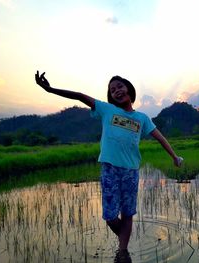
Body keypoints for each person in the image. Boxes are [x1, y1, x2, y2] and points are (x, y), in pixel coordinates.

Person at [35, 71, 183, 262]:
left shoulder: (142, 118)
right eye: (112, 90)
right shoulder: (106, 110)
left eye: (119, 86)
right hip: (110, 169)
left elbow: (160, 137)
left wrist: (174, 156)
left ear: (129, 89)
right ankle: (124, 242)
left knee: (128, 213)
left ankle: (122, 251)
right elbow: (80, 96)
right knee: (110, 216)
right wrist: (49, 89)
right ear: (110, 96)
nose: (117, 91)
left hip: (130, 171)